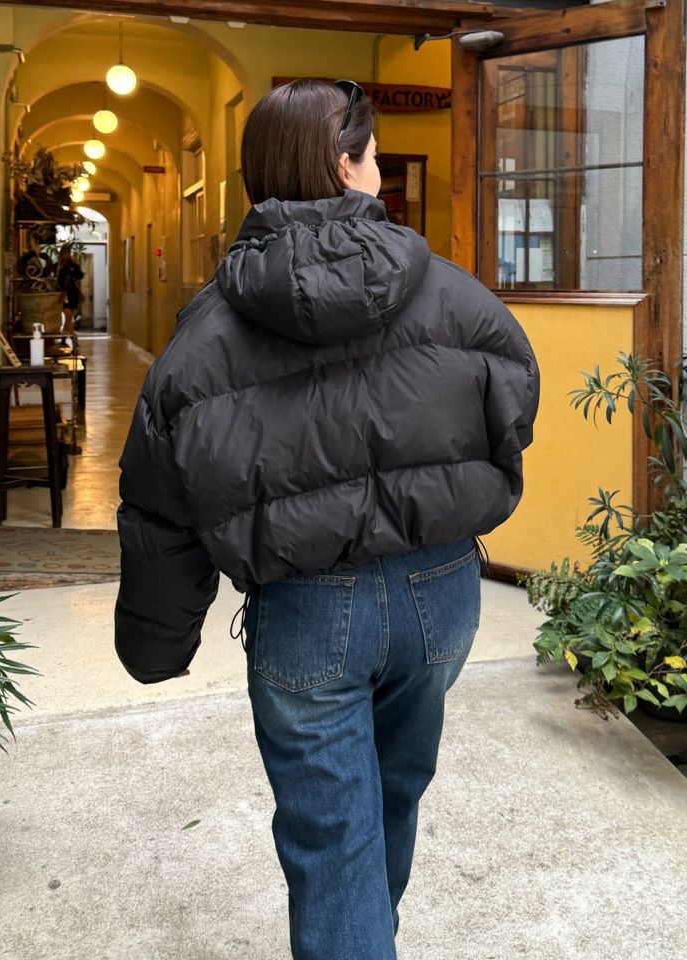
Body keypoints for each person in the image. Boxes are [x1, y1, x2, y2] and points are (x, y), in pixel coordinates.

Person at [114, 78, 540, 960]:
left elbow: (161, 501)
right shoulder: (455, 295)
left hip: (308, 610)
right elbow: (511, 401)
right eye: (372, 155)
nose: (376, 170)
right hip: (440, 592)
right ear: (346, 167)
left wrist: (156, 641)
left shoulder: (205, 333)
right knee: (393, 797)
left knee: (332, 837)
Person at [56, 244, 84, 336]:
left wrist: (72, 278)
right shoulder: (58, 266)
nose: (66, 255)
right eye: (64, 253)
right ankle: (69, 336)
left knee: (68, 317)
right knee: (68, 317)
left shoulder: (72, 266)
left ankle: (72, 336)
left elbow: (80, 275)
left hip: (70, 294)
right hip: (63, 294)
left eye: (67, 253)